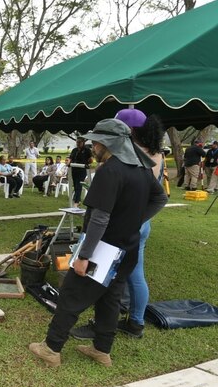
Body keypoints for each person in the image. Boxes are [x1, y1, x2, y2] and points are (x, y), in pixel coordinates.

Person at [28, 118, 167, 368]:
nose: (93, 146)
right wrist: (134, 221)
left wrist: (83, 256)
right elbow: (161, 199)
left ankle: (51, 348)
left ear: (109, 143)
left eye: (96, 141)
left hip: (101, 249)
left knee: (71, 295)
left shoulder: (110, 171)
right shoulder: (140, 168)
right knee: (110, 299)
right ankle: (102, 350)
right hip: (128, 249)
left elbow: (100, 218)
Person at [71, 108, 166, 340]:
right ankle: (132, 321)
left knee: (109, 275)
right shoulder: (155, 153)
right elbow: (158, 196)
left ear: (127, 131)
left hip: (121, 221)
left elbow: (131, 192)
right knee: (128, 274)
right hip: (135, 221)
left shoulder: (132, 156)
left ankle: (109, 324)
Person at [67, 137, 93, 207]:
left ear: (83, 142)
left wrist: (88, 163)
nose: (78, 144)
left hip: (82, 169)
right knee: (75, 185)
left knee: (79, 185)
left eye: (79, 142)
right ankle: (78, 199)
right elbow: (70, 158)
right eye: (77, 142)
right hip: (74, 169)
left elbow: (91, 159)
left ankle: (76, 201)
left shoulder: (87, 150)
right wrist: (69, 162)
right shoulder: (74, 150)